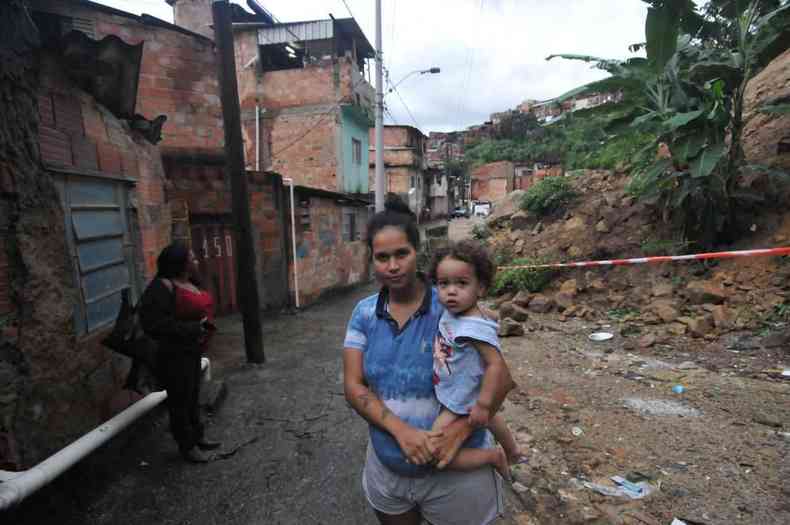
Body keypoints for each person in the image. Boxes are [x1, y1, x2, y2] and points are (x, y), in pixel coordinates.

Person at [343, 195, 515, 525]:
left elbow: (501, 378)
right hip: (388, 471)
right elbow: (353, 385)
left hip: (456, 475)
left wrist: (462, 430)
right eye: (382, 257)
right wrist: (401, 431)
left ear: (416, 251)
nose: (392, 266)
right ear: (371, 260)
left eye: (401, 254)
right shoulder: (364, 313)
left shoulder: (453, 305)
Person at [428, 240, 527, 480]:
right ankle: (513, 450)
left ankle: (492, 456)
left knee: (433, 450)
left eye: (461, 284)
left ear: (480, 288)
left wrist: (483, 404)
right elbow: (488, 316)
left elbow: (495, 364)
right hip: (462, 386)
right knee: (493, 419)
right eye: (444, 284)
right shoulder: (458, 311)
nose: (451, 291)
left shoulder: (472, 327)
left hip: (462, 395)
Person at [139, 243, 221, 463]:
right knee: (180, 401)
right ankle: (187, 446)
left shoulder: (190, 282)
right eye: (192, 258)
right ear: (180, 263)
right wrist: (194, 328)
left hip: (192, 350)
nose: (196, 261)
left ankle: (198, 437)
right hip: (173, 355)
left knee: (193, 396)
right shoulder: (161, 287)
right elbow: (153, 324)